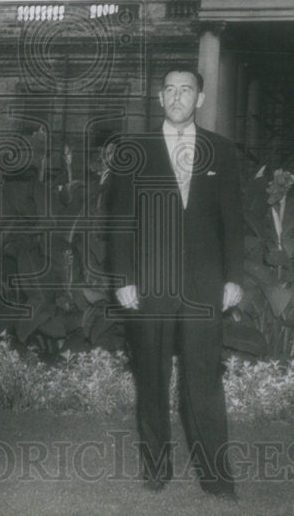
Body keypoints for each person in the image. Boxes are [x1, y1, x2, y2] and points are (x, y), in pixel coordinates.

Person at [107, 67, 244, 500]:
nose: (178, 97)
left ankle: (215, 476)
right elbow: (119, 222)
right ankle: (156, 468)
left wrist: (233, 277)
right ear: (160, 98)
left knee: (203, 378)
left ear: (200, 99)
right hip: (150, 282)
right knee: (151, 375)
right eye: (170, 90)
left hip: (204, 283)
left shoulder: (221, 151)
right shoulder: (135, 149)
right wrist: (124, 277)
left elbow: (232, 222)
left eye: (187, 90)